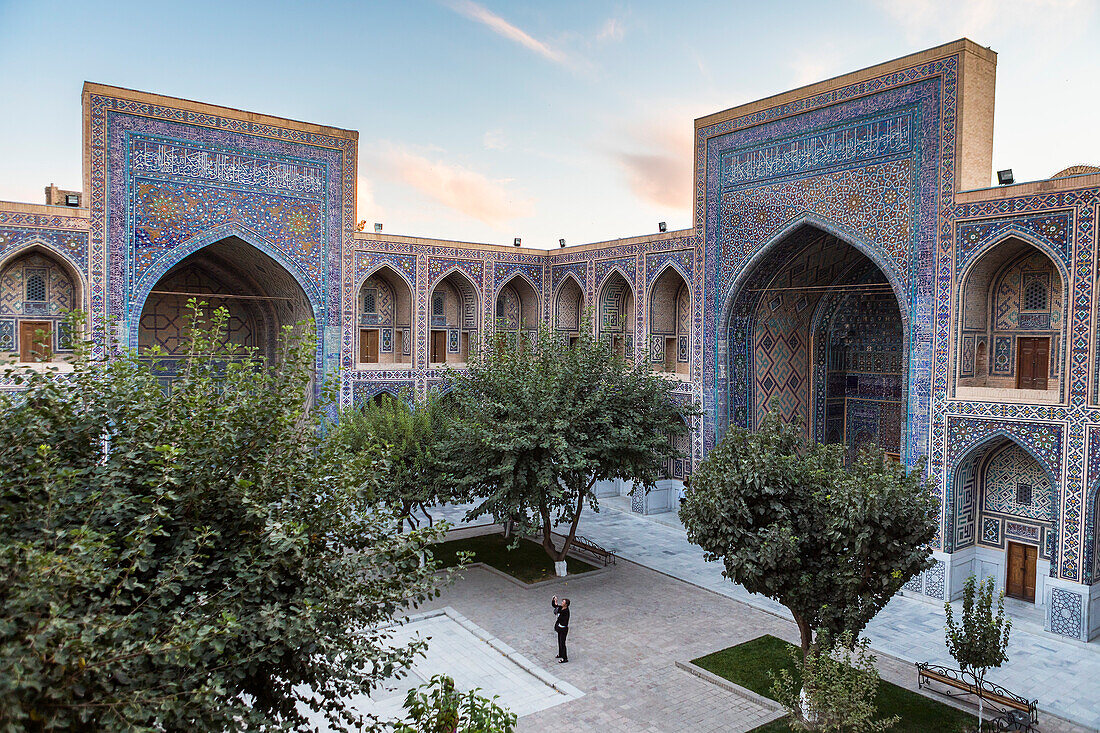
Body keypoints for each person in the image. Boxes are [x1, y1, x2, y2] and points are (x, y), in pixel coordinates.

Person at [551, 595, 569, 663]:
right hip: (560, 628)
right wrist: (554, 600)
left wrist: (557, 612)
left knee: (562, 643)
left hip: (563, 629)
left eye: (563, 602)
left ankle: (565, 658)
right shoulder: (561, 608)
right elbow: (555, 606)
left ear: (566, 604)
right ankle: (560, 653)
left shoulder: (566, 611)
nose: (562, 603)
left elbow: (559, 613)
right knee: (559, 641)